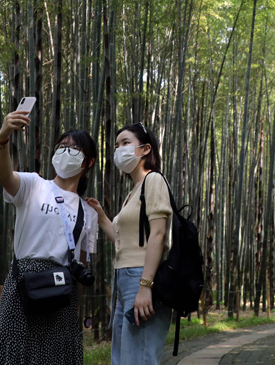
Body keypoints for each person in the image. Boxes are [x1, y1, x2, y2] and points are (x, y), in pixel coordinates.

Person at [0, 109, 99, 365]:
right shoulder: (34, 185)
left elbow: (81, 264)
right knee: (16, 355)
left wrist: (75, 311)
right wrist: (3, 138)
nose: (65, 152)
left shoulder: (88, 212)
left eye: (74, 149)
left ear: (89, 162)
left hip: (62, 294)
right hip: (23, 285)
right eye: (61, 147)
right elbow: (5, 176)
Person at [88, 122, 173, 365]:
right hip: (123, 278)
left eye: (125, 143)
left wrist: (146, 285)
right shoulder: (133, 191)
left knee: (140, 358)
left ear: (145, 149)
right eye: (116, 145)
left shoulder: (153, 180)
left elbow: (158, 235)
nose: (119, 149)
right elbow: (124, 242)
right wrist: (103, 217)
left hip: (141, 277)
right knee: (123, 359)